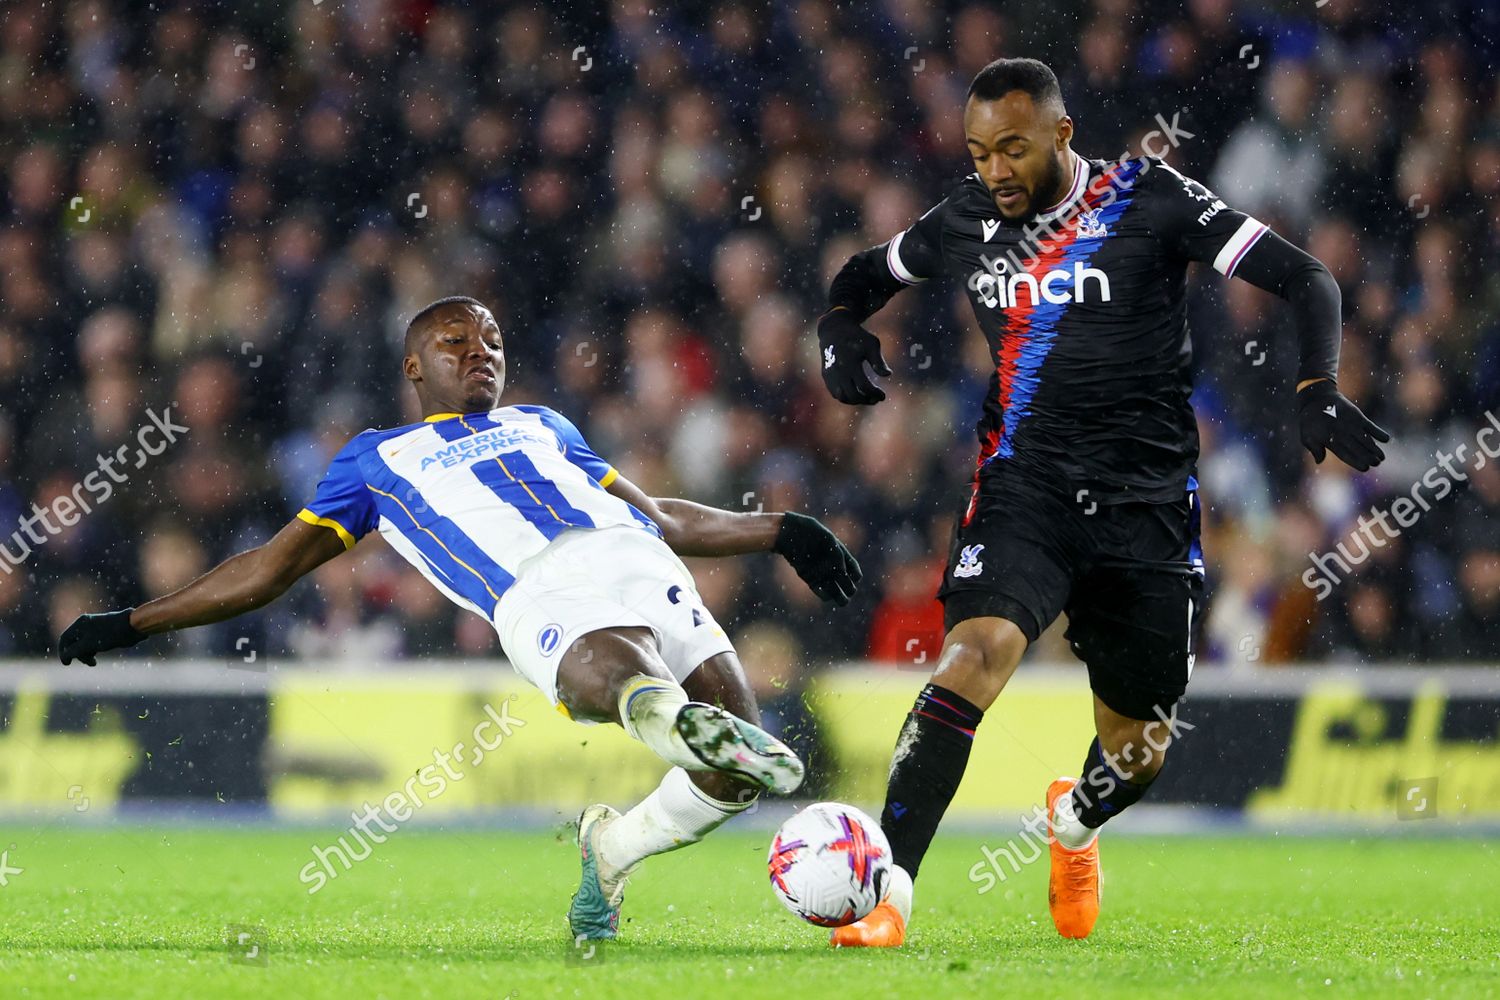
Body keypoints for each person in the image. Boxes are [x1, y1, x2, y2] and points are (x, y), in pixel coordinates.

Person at [59, 295, 862, 942]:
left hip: (640, 563)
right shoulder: (376, 458)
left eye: (492, 341)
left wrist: (780, 530)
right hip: (535, 588)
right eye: (456, 341)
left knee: (732, 775)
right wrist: (133, 622)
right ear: (414, 365)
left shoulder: (545, 425)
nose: (481, 351)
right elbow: (268, 568)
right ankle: (662, 714)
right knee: (621, 670)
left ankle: (611, 845)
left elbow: (665, 519)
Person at [815, 58, 1388, 946]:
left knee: (1137, 751)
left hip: (1145, 506)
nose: (994, 170)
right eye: (978, 153)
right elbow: (866, 271)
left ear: (1061, 134)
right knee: (971, 655)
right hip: (1023, 490)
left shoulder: (1149, 200)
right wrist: (839, 327)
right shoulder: (962, 218)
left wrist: (1316, 384)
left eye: (1012, 148)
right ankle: (889, 896)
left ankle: (1073, 827)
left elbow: (1308, 277)